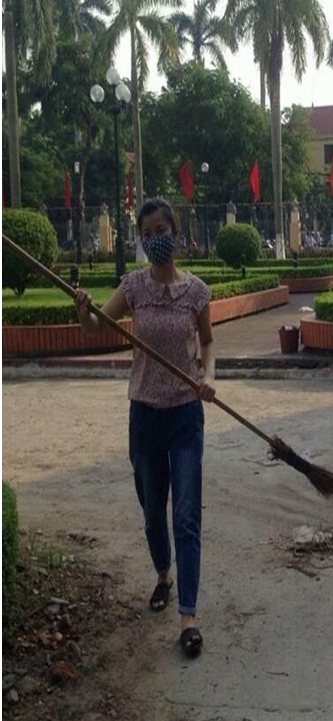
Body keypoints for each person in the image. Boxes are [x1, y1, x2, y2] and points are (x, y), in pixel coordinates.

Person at [74, 198, 215, 658]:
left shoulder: (196, 292)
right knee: (153, 510)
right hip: (145, 417)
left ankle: (189, 618)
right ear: (141, 239)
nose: (156, 239)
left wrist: (208, 376)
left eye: (162, 230)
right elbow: (95, 327)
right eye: (148, 232)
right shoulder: (133, 287)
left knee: (186, 516)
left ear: (175, 232)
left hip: (185, 415)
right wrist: (83, 310)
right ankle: (163, 575)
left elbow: (208, 343)